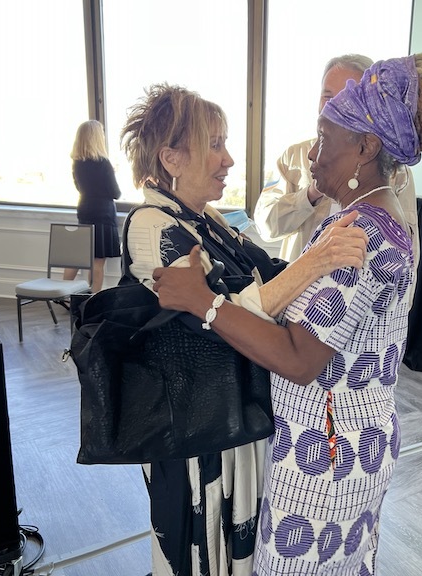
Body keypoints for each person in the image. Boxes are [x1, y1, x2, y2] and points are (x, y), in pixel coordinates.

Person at [152, 53, 422, 574]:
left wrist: (202, 300)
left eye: (324, 135)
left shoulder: (365, 233)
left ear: (365, 146)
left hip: (329, 458)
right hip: (342, 444)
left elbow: (298, 357)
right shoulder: (366, 217)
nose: (313, 152)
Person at [118, 83, 368, 576]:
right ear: (171, 158)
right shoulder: (151, 227)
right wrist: (317, 261)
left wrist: (316, 267)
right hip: (194, 432)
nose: (228, 159)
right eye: (214, 144)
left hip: (232, 418)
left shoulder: (205, 219)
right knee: (202, 543)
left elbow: (266, 276)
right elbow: (225, 318)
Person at [255, 54, 420, 266]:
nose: (332, 107)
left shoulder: (396, 171)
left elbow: (409, 251)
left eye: (346, 97)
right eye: (327, 97)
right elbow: (265, 225)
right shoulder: (295, 157)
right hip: (298, 289)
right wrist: (310, 195)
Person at [64, 120, 121, 292]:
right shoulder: (103, 163)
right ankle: (95, 298)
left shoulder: (77, 163)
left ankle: (63, 293)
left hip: (84, 210)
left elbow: (79, 187)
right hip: (102, 213)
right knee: (98, 261)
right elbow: (115, 193)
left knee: (80, 255)